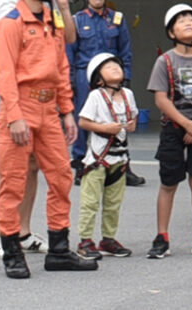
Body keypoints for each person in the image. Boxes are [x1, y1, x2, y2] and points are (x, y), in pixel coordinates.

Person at [0, 0, 94, 277]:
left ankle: (59, 250)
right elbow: (5, 74)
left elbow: (61, 67)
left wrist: (66, 111)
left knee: (62, 176)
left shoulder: (51, 20)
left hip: (49, 109)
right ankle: (11, 252)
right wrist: (15, 116)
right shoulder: (10, 24)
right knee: (14, 182)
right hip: (20, 108)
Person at [145, 3, 192, 259]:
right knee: (169, 182)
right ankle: (161, 237)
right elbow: (161, 100)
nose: (188, 22)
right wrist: (187, 125)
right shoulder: (164, 61)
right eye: (180, 21)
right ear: (171, 32)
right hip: (173, 128)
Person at [73, 52, 137, 259]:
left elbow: (133, 121)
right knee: (90, 202)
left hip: (120, 158)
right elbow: (83, 122)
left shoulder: (128, 94)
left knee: (113, 203)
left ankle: (108, 238)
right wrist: (105, 128)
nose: (115, 68)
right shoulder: (96, 96)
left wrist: (128, 126)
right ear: (98, 78)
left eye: (117, 65)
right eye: (108, 67)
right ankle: (85, 240)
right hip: (98, 158)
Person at [68, 0, 130, 168]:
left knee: (117, 116)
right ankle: (79, 160)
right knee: (83, 115)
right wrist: (69, 82)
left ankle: (120, 161)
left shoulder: (117, 19)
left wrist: (125, 77)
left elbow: (125, 50)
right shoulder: (77, 21)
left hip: (111, 76)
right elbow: (70, 52)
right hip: (84, 75)